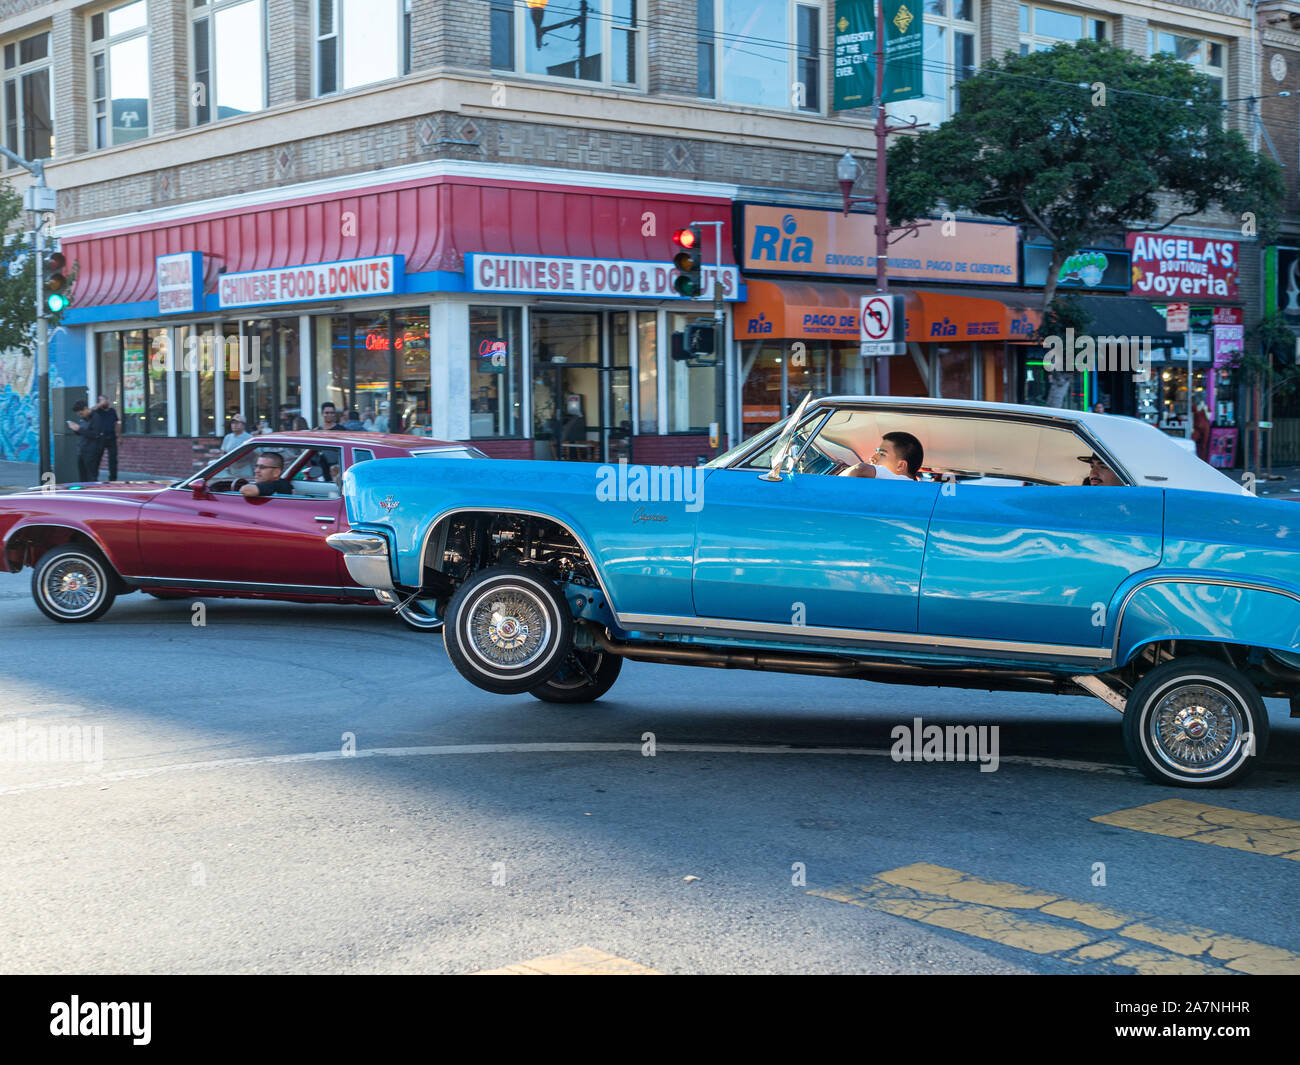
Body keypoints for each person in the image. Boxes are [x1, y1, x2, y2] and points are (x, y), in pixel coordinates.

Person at [839, 431, 924, 481]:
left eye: (882, 454)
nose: (872, 458)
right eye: (876, 452)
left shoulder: (903, 481)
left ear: (901, 465)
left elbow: (860, 469)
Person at [66, 400, 100, 482]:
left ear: (86, 408)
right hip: (82, 450)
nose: (80, 415)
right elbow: (82, 433)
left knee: (91, 475)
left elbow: (95, 434)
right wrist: (75, 429)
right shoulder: (84, 419)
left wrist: (79, 429)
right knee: (82, 475)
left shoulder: (96, 418)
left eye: (81, 413)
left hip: (91, 452)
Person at [87, 394, 119, 481]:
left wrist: (119, 436)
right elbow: (89, 411)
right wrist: (100, 404)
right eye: (100, 400)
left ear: (107, 400)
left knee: (113, 459)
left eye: (104, 400)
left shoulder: (112, 411)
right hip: (101, 438)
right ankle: (94, 478)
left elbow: (116, 423)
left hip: (112, 437)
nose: (103, 402)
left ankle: (113, 479)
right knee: (97, 458)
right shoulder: (98, 411)